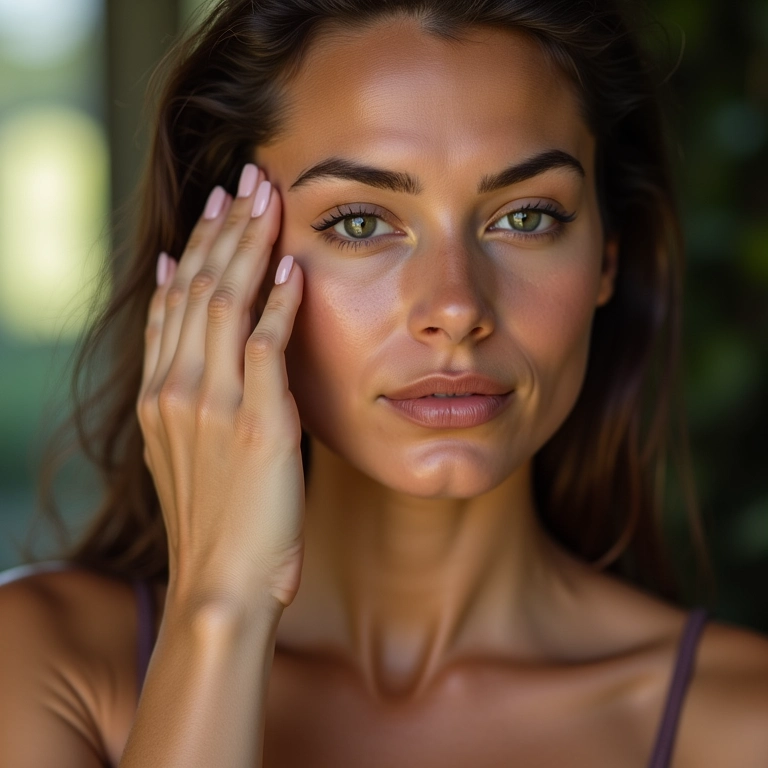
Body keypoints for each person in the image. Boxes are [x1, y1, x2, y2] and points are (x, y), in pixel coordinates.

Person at [1, 0, 768, 765]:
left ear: (607, 257)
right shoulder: (41, 663)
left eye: (527, 217)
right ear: (225, 262)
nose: (456, 307)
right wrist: (220, 610)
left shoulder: (742, 724)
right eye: (362, 223)